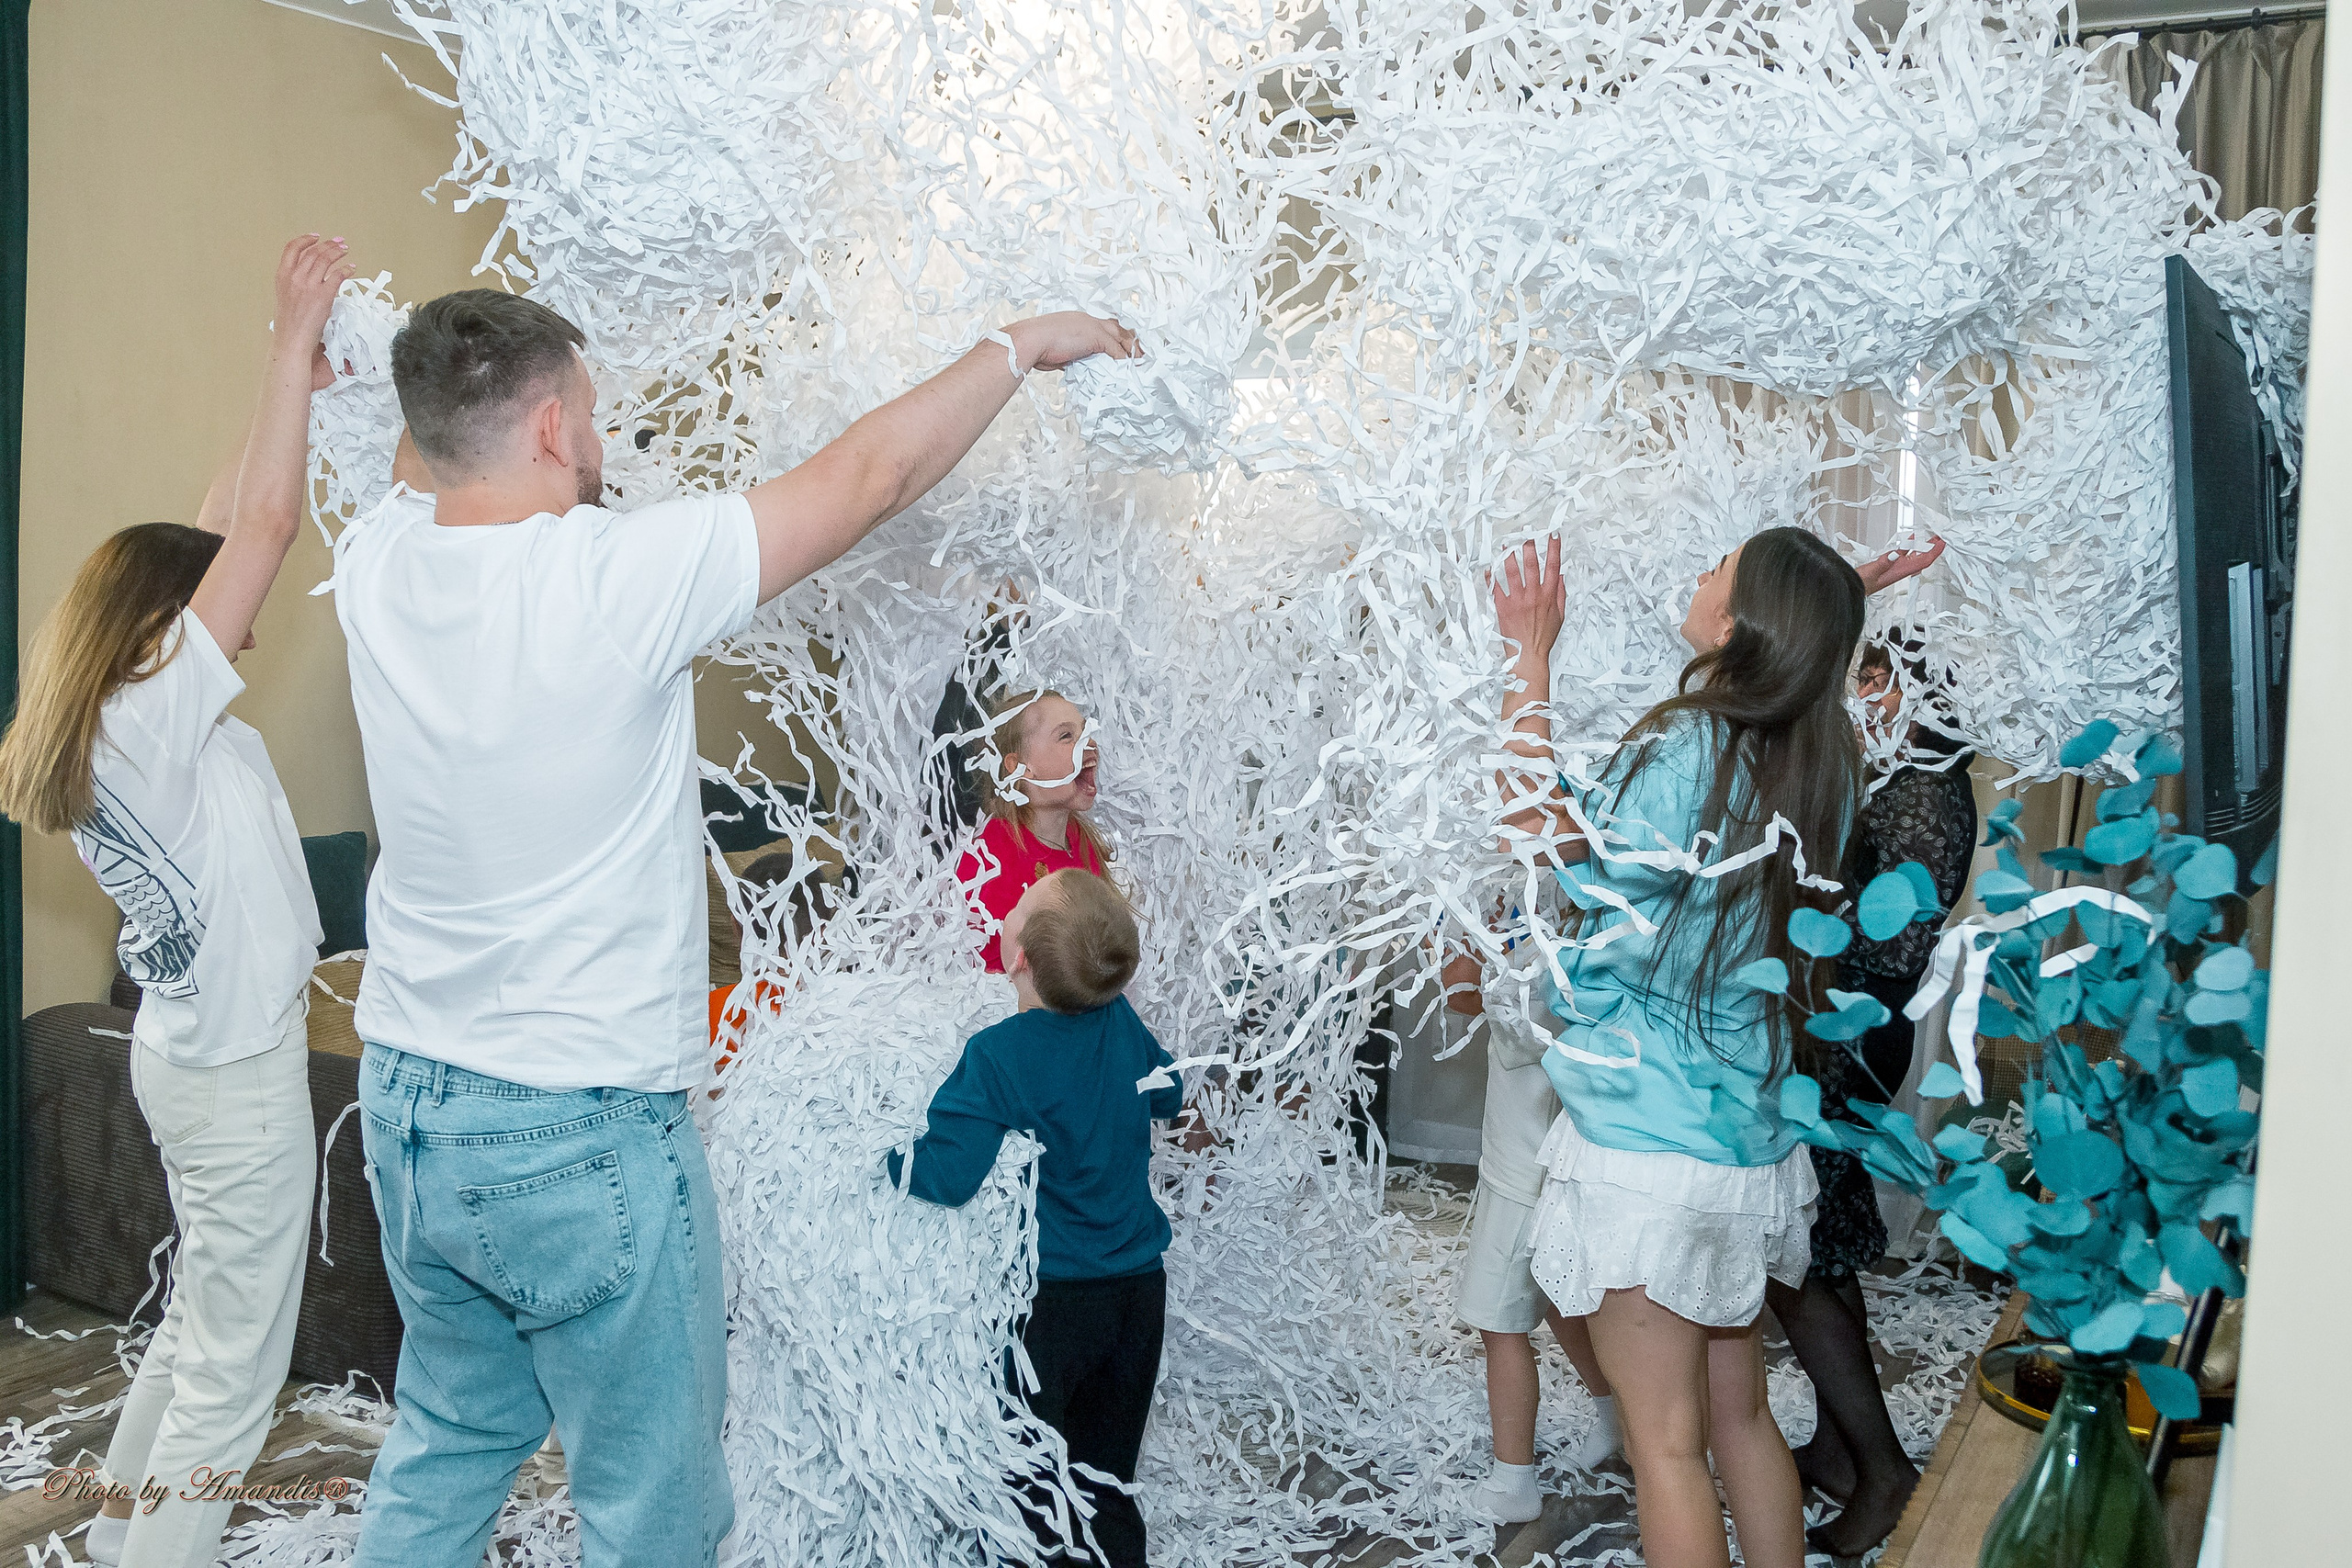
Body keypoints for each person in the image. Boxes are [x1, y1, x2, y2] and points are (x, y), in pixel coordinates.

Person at [334, 290, 1133, 1568]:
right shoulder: (610, 576)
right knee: (655, 1514)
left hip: (413, 1113)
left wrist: (356, 337)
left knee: (445, 1450)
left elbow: (412, 453)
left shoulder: (375, 563)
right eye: (588, 418)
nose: (601, 445)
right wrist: (1019, 346)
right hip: (578, 1127)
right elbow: (871, 475)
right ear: (548, 425)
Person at [0, 235, 354, 1568]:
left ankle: (116, 1541)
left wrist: (300, 388)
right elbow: (257, 529)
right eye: (206, 607)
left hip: (182, 1053)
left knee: (203, 1323)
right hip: (236, 1069)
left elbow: (224, 522)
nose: (243, 620)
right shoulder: (157, 714)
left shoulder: (118, 712)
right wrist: (286, 330)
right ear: (162, 623)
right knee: (234, 1368)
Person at [1487, 528, 1939, 1568]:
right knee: (1738, 1426)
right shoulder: (1819, 760)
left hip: (1649, 1153)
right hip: (1747, 1146)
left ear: (1739, 625)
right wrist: (1835, 601)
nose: (1693, 576)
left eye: (1716, 570)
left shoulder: (1683, 747)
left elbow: (1537, 830)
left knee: (1666, 1451)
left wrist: (1530, 657)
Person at [888, 868, 1179, 1568]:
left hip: (1055, 1306)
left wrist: (881, 1160)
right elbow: (1170, 1092)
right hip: (1140, 1293)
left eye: (1019, 902)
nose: (1011, 903)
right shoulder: (1120, 1019)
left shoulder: (997, 1056)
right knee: (1108, 1475)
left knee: (1030, 1474)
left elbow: (947, 1176)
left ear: (1015, 954)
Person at [1769, 638, 1979, 1558]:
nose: (1847, 696)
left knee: (1802, 1260)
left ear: (1908, 692)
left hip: (1844, 1036)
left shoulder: (1927, 790)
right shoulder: (1894, 775)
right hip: (1833, 1026)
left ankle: (1884, 1473)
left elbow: (1890, 947)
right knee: (1822, 1245)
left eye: (1861, 677)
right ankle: (1837, 1445)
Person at [1439, 945, 1623, 1524]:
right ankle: (1614, 1415)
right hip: (1554, 1163)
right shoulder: (1579, 936)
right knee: (1562, 1301)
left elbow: (1466, 996)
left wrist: (1463, 948)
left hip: (1525, 1176)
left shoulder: (1557, 962)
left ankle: (1512, 1479)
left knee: (1498, 1322)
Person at [957, 687, 1112, 972]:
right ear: (1021, 769)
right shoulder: (989, 862)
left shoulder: (1081, 841)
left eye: (1085, 731)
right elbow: (987, 974)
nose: (1088, 743)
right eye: (1066, 737)